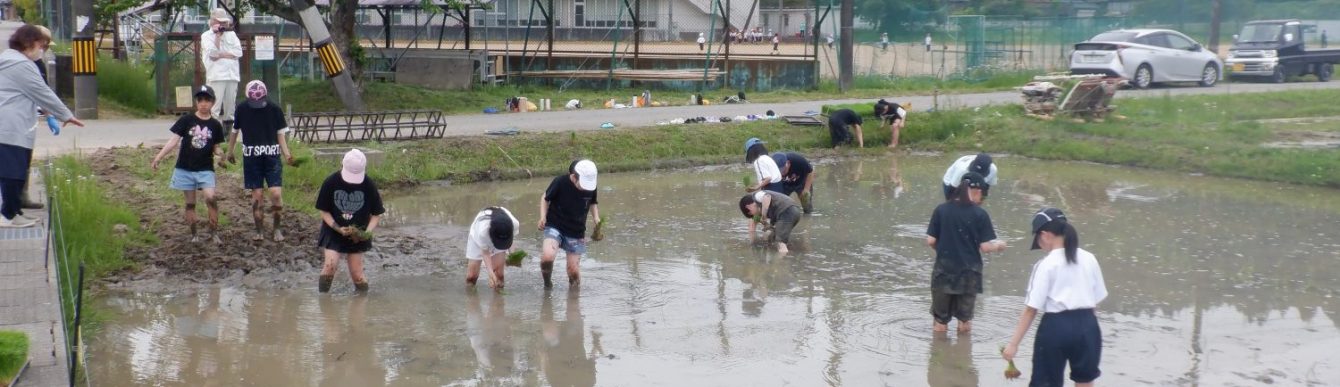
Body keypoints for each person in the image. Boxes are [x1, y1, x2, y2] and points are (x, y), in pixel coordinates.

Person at [1003, 207, 1108, 387]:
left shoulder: (1045, 264)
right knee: (1085, 380)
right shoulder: (1089, 258)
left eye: (1038, 240)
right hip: (1088, 326)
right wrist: (1085, 327)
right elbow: (1095, 300)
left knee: (1046, 382)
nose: (1040, 247)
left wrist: (1013, 344)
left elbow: (1031, 309)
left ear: (1045, 235)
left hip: (1056, 327)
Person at [0, 24, 82, 228]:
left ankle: (14, 211)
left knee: (19, 169)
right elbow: (42, 92)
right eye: (41, 45)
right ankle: (7, 215)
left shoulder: (12, 60)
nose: (42, 50)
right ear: (29, 43)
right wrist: (66, 115)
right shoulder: (20, 65)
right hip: (10, 126)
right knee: (14, 171)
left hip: (16, 124)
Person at [925, 172, 1006, 333]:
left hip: (944, 272)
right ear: (975, 191)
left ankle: (940, 354)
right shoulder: (980, 214)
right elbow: (985, 247)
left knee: (940, 322)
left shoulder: (941, 210)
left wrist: (942, 251)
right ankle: (963, 355)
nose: (981, 197)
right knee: (965, 320)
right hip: (969, 274)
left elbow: (930, 241)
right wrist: (999, 246)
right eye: (982, 193)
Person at [151, 85, 227, 243]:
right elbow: (173, 141)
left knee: (210, 197)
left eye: (207, 100)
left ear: (212, 102)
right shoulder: (186, 120)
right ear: (196, 102)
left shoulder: (215, 125)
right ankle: (194, 235)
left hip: (205, 168)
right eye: (200, 100)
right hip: (185, 167)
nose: (203, 103)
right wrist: (159, 157)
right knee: (190, 203)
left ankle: (214, 233)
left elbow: (216, 146)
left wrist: (220, 154)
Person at [224, 80, 294, 242]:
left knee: (275, 193)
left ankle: (277, 228)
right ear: (248, 97)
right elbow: (235, 131)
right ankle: (259, 230)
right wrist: (230, 151)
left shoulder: (274, 109)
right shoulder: (241, 108)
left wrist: (287, 154)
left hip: (272, 157)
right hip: (251, 158)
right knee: (257, 195)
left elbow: (280, 134)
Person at [314, 149, 385, 293]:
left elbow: (377, 214)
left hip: (359, 233)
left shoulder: (368, 185)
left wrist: (366, 233)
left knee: (357, 275)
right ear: (342, 166)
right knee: (330, 266)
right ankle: (324, 300)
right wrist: (337, 228)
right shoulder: (331, 182)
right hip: (333, 229)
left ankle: (361, 306)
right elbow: (324, 211)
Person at [538, 159, 600, 288]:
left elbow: (593, 203)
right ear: (574, 177)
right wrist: (543, 217)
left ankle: (574, 302)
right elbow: (545, 198)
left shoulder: (591, 185)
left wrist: (596, 218)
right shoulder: (560, 182)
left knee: (573, 271)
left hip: (576, 230)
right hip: (555, 224)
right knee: (547, 257)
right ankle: (547, 283)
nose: (584, 188)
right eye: (582, 183)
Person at [201, 8, 242, 125]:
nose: (223, 24)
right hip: (216, 75)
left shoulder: (232, 35)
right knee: (214, 106)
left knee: (230, 107)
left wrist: (222, 55)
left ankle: (228, 135)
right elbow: (213, 54)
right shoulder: (206, 36)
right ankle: (212, 134)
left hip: (232, 74)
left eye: (224, 22)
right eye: (220, 22)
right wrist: (217, 36)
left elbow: (239, 52)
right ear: (213, 21)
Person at [464, 206, 520, 289]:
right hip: (479, 234)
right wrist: (490, 273)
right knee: (471, 277)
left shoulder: (514, 224)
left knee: (499, 275)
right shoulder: (482, 231)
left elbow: (511, 241)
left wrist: (513, 256)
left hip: (501, 231)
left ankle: (498, 300)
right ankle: (471, 300)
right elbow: (485, 253)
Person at [738, 190, 802, 255]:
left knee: (780, 242)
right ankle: (787, 254)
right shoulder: (764, 205)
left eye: (751, 213)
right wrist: (768, 225)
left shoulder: (757, 196)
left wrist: (763, 216)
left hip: (787, 211)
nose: (755, 215)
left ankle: (782, 262)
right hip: (792, 212)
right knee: (772, 237)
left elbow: (767, 196)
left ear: (748, 207)